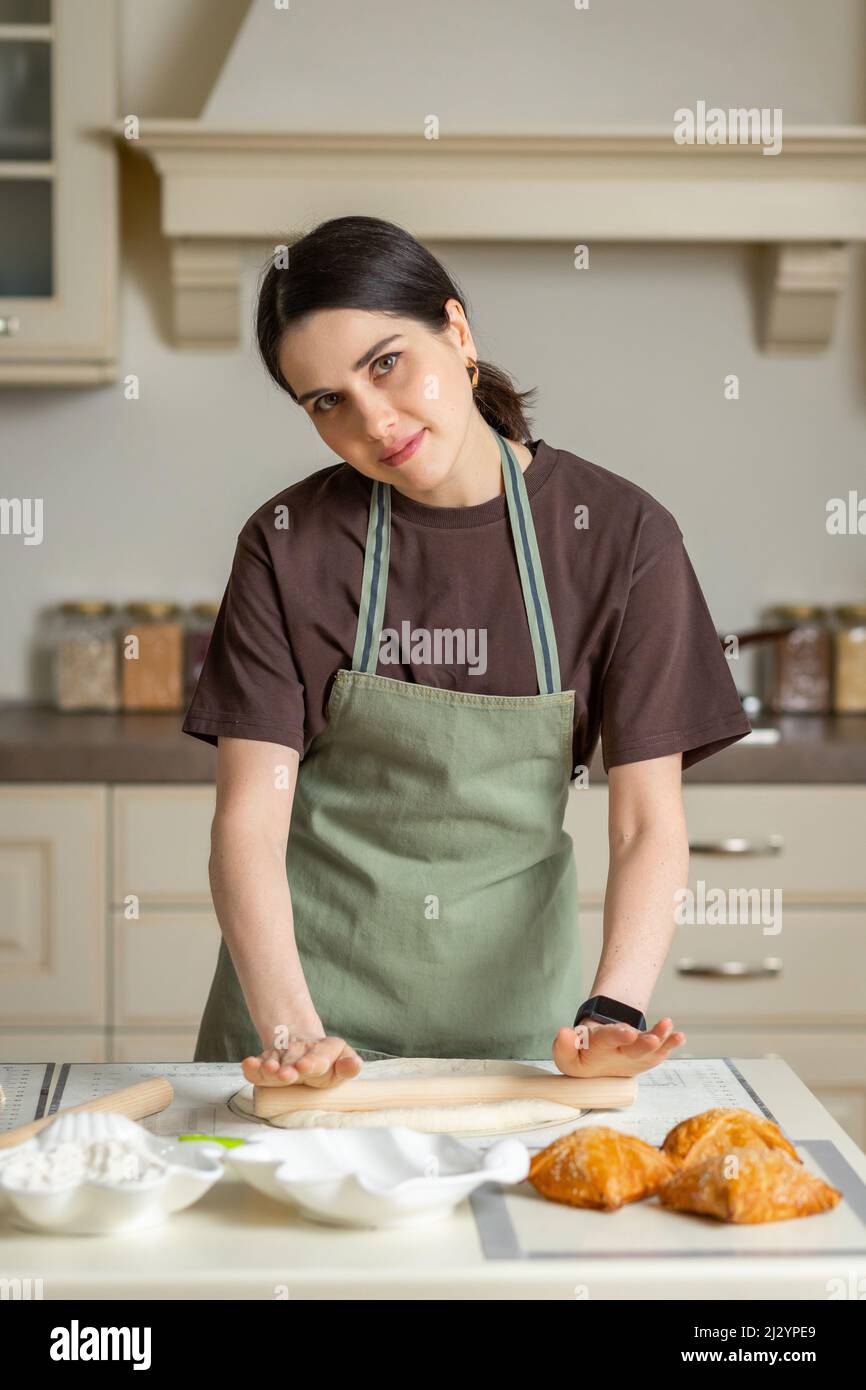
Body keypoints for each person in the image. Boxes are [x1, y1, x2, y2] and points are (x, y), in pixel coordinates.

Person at [182, 214, 752, 1093]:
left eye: (385, 363)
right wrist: (295, 1035)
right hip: (301, 1029)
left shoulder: (621, 539)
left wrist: (614, 1010)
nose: (374, 419)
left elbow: (646, 822)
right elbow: (248, 825)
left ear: (456, 330)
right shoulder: (287, 544)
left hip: (520, 1045)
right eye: (326, 401)